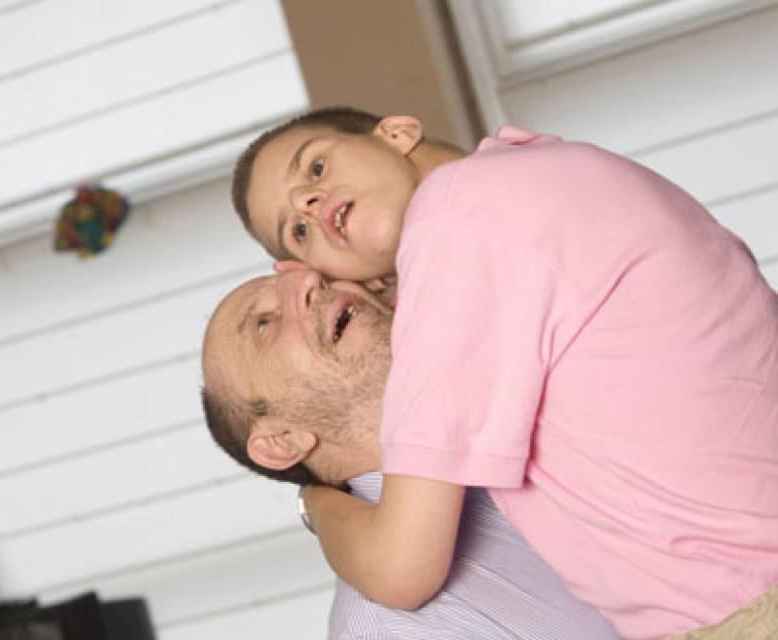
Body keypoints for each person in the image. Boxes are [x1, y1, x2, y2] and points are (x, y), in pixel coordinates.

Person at [218, 107, 778, 638]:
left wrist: (318, 505)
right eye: (297, 231)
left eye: (315, 167)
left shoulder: (454, 221)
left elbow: (401, 569)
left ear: (397, 133)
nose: (310, 203)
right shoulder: (534, 175)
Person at [201, 272, 619, 639]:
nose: (310, 282)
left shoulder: (544, 359)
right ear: (282, 441)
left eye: (323, 277)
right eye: (263, 324)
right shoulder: (386, 631)